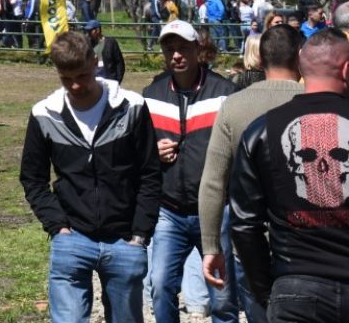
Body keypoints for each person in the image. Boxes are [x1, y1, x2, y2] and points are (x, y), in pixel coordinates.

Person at [19, 31, 160, 323]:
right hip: (72, 235)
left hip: (125, 238)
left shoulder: (131, 107)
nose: (75, 85)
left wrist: (140, 234)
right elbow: (32, 178)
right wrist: (57, 226)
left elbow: (150, 173)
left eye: (82, 76)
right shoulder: (45, 114)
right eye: (66, 78)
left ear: (95, 63)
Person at [229, 27, 349, 320]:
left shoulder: (260, 131)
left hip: (295, 288)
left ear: (300, 67)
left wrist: (268, 293)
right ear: (347, 69)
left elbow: (245, 224)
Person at [197, 24, 303, 323]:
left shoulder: (234, 106)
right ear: (299, 56)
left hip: (251, 238)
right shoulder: (317, 100)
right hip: (307, 243)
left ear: (259, 59)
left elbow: (213, 182)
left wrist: (210, 246)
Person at [142, 20, 238, 323]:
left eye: (183, 48)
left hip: (215, 210)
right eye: (169, 49)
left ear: (198, 49)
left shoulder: (224, 92)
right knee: (160, 286)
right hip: (169, 210)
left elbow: (239, 148)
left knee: (222, 296)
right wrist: (152, 153)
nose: (176, 55)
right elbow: (137, 150)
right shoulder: (152, 94)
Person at [84, 20, 125, 84]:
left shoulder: (110, 43)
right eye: (87, 31)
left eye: (90, 31)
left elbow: (119, 62)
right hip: (94, 79)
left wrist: (117, 81)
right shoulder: (88, 44)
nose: (88, 33)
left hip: (109, 78)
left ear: (97, 30)